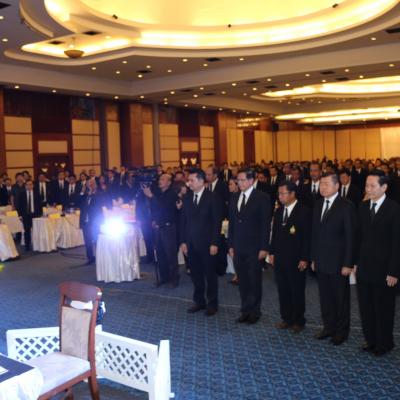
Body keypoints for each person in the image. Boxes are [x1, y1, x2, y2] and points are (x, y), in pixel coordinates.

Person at [356, 170, 400, 356]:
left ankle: (384, 343)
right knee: (366, 308)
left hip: (385, 270)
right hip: (365, 268)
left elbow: (397, 243)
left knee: (383, 309)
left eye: (372, 186)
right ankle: (371, 340)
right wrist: (355, 263)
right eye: (367, 185)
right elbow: (358, 238)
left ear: (384, 187)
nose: (368, 189)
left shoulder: (394, 209)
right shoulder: (362, 207)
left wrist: (394, 271)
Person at [311, 172, 356, 345]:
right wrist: (313, 258)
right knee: (325, 297)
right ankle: (328, 327)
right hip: (321, 260)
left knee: (340, 299)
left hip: (339, 262)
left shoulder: (346, 205)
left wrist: (348, 263)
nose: (322, 187)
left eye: (326, 184)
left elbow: (351, 237)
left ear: (337, 186)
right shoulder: (318, 204)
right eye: (321, 184)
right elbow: (315, 234)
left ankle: (341, 332)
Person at [228, 168, 271, 324]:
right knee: (243, 280)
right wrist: (230, 244)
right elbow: (232, 223)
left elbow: (265, 224)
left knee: (254, 281)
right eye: (238, 180)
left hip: (255, 247)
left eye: (243, 180)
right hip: (238, 246)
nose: (239, 183)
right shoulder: (234, 197)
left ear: (251, 180)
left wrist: (264, 247)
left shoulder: (262, 197)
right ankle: (245, 310)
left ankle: (255, 311)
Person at [180, 168, 223, 316]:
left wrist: (214, 243)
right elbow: (184, 221)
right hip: (191, 243)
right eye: (188, 180)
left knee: (210, 275)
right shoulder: (187, 197)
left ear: (200, 181)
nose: (189, 183)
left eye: (191, 180)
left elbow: (217, 222)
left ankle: (212, 303)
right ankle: (199, 301)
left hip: (208, 244)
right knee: (196, 274)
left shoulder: (213, 197)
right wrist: (183, 241)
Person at [270, 181, 311, 333]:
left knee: (296, 290)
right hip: (280, 257)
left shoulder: (304, 211)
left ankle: (298, 320)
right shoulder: (279, 211)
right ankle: (286, 318)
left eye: (283, 193)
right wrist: (272, 252)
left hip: (296, 259)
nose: (280, 196)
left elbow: (307, 237)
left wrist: (305, 258)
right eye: (279, 194)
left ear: (292, 194)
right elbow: (274, 234)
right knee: (283, 289)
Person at [143, 173, 180, 287]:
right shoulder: (159, 193)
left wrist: (151, 196)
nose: (160, 181)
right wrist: (154, 220)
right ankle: (164, 277)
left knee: (170, 254)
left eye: (163, 179)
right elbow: (155, 209)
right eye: (160, 179)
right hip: (158, 227)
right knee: (160, 254)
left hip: (168, 227)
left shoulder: (172, 194)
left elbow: (164, 207)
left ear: (169, 182)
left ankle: (174, 278)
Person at [79, 179, 110, 264]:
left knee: (96, 240)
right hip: (85, 220)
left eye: (91, 184)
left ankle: (99, 257)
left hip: (94, 221)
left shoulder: (99, 194)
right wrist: (82, 192)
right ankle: (90, 258)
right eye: (88, 185)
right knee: (87, 240)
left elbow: (98, 206)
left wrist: (92, 194)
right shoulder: (85, 195)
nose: (90, 186)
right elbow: (78, 202)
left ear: (95, 185)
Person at [16, 179, 41, 251]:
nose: (29, 186)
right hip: (26, 215)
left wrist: (40, 214)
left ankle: (37, 245)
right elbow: (19, 206)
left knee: (36, 230)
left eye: (30, 184)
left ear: (33, 186)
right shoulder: (22, 194)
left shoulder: (37, 194)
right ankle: (27, 245)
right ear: (25, 186)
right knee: (27, 231)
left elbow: (40, 205)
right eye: (27, 185)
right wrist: (20, 215)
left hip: (35, 215)